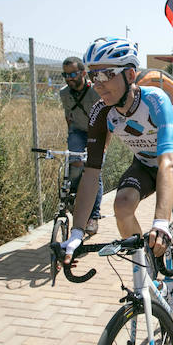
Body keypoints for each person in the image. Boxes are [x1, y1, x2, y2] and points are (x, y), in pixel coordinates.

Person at [62, 37, 173, 345]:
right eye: (93, 75)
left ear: (130, 75)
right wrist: (76, 233)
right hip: (143, 165)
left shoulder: (156, 102)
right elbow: (91, 174)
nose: (98, 84)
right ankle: (148, 268)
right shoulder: (101, 112)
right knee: (121, 205)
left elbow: (168, 163)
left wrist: (160, 221)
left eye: (107, 75)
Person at [59, 56, 104, 234]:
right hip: (77, 131)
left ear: (83, 73)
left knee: (93, 173)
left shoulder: (96, 92)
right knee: (76, 164)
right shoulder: (64, 93)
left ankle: (93, 216)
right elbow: (68, 115)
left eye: (73, 73)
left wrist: (104, 144)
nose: (69, 78)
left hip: (96, 133)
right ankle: (76, 197)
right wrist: (71, 135)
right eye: (65, 74)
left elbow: (105, 117)